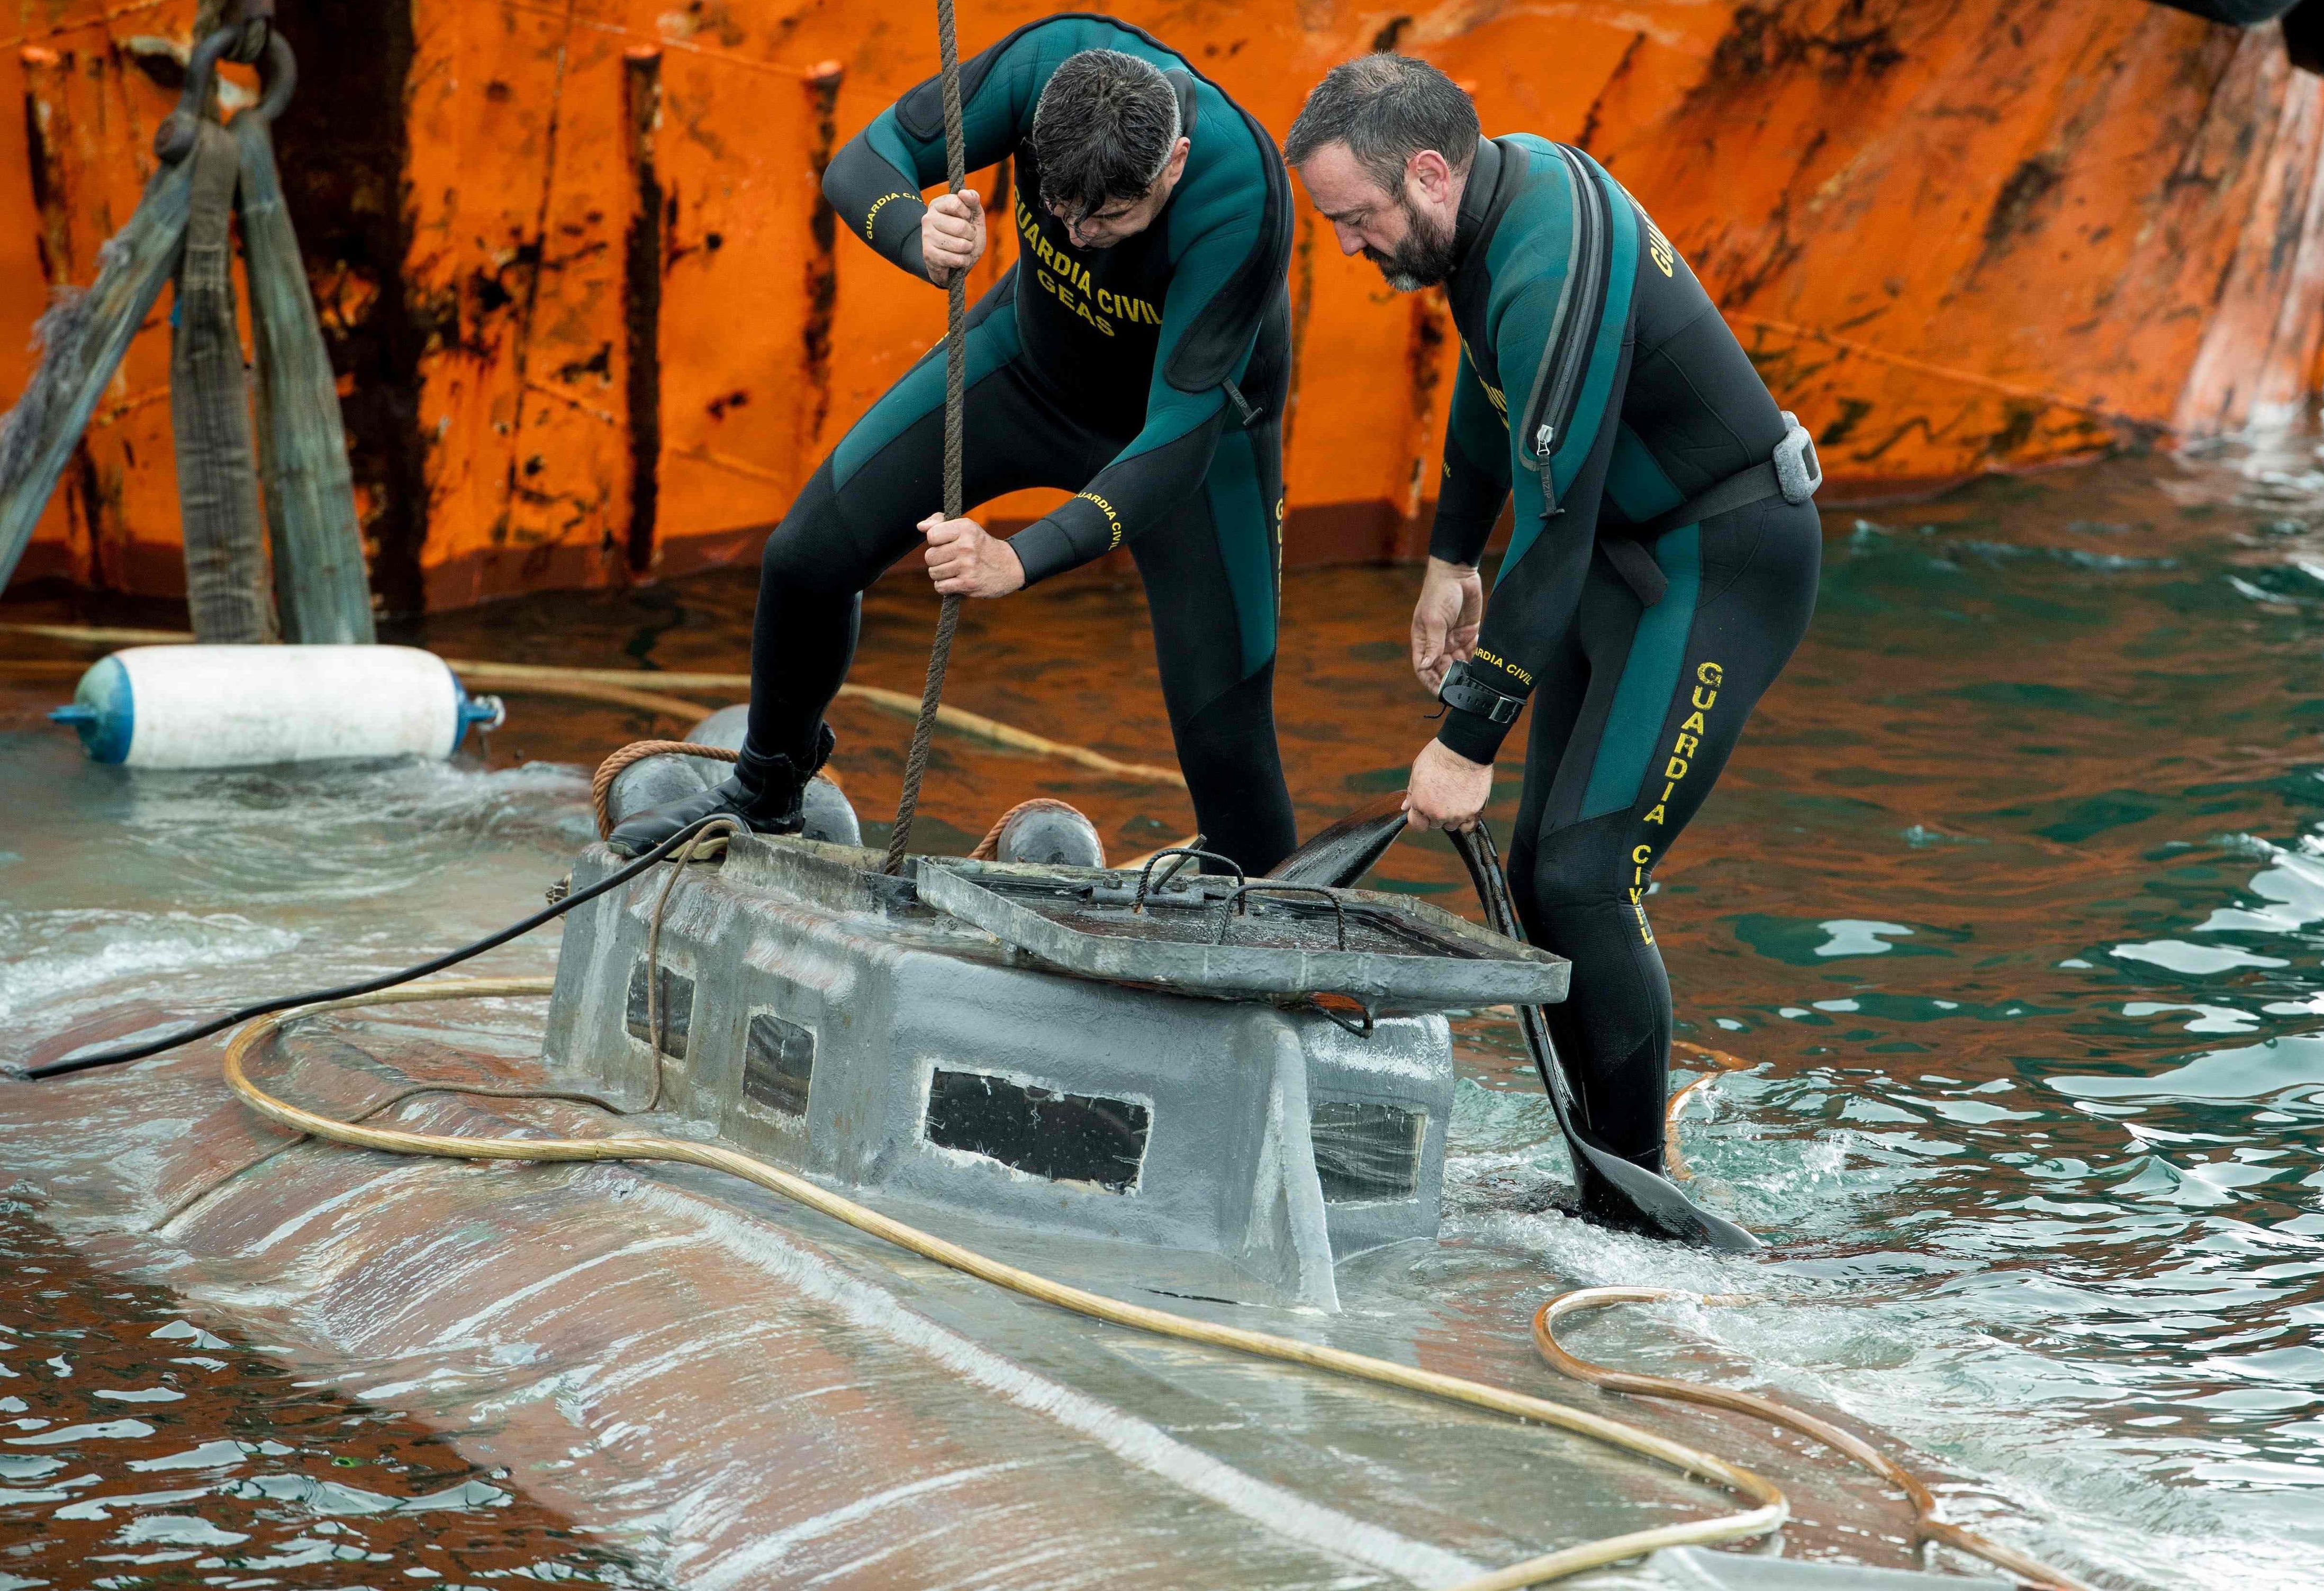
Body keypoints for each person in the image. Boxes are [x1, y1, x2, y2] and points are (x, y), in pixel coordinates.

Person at [1285, 56, 1822, 1223]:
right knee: (1540, 873)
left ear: (1426, 174)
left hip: (1717, 562)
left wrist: (1467, 737)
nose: (1347, 246)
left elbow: (1562, 520)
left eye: (1355, 218)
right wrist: (1449, 558)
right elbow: (1493, 396)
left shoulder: (1547, 255)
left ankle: (1633, 1203)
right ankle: (1604, 1170)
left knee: (1587, 872)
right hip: (1627, 561)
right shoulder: (1479, 225)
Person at [610, 17, 1298, 876]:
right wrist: (915, 233)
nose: (1080, 236)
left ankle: (1272, 923)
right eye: (1058, 211)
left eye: (1113, 218)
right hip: (1027, 369)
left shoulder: (1243, 196)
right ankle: (767, 791)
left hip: (1189, 441)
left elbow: (1179, 438)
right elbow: (863, 160)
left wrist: (1020, 559)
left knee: (1224, 717)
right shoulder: (1040, 66)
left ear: (1176, 164)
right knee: (804, 560)